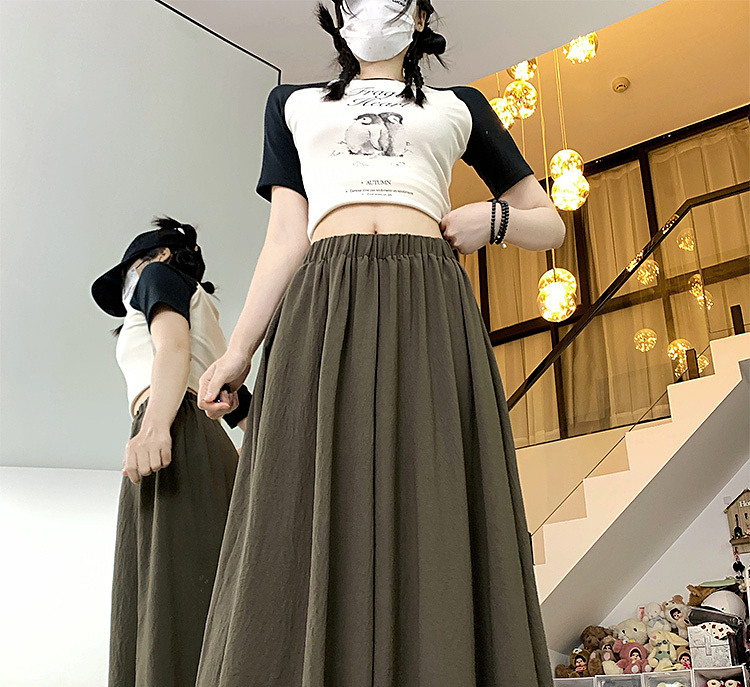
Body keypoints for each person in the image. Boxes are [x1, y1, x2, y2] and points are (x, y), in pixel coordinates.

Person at [196, 1, 566, 685]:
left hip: (428, 296)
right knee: (301, 491)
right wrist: (239, 350)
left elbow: (550, 225)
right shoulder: (292, 104)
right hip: (323, 297)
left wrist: (495, 218)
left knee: (432, 489)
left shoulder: (461, 105)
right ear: (335, 15)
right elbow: (285, 239)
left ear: (421, 16)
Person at [90, 216, 252, 687]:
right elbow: (243, 409)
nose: (129, 284)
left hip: (176, 431)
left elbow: (172, 348)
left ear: (158, 256)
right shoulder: (209, 318)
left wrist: (155, 427)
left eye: (130, 270)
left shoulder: (156, 275)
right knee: (206, 591)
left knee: (168, 593)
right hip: (211, 447)